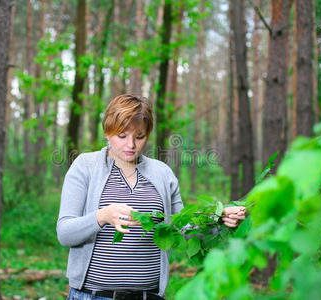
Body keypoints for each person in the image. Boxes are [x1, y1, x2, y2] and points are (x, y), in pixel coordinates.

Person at [57, 95, 246, 300]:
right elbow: (65, 233)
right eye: (122, 136)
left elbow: (184, 228)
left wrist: (219, 218)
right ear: (107, 131)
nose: (131, 145)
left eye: (139, 137)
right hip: (92, 296)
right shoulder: (85, 166)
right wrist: (102, 216)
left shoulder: (162, 173)